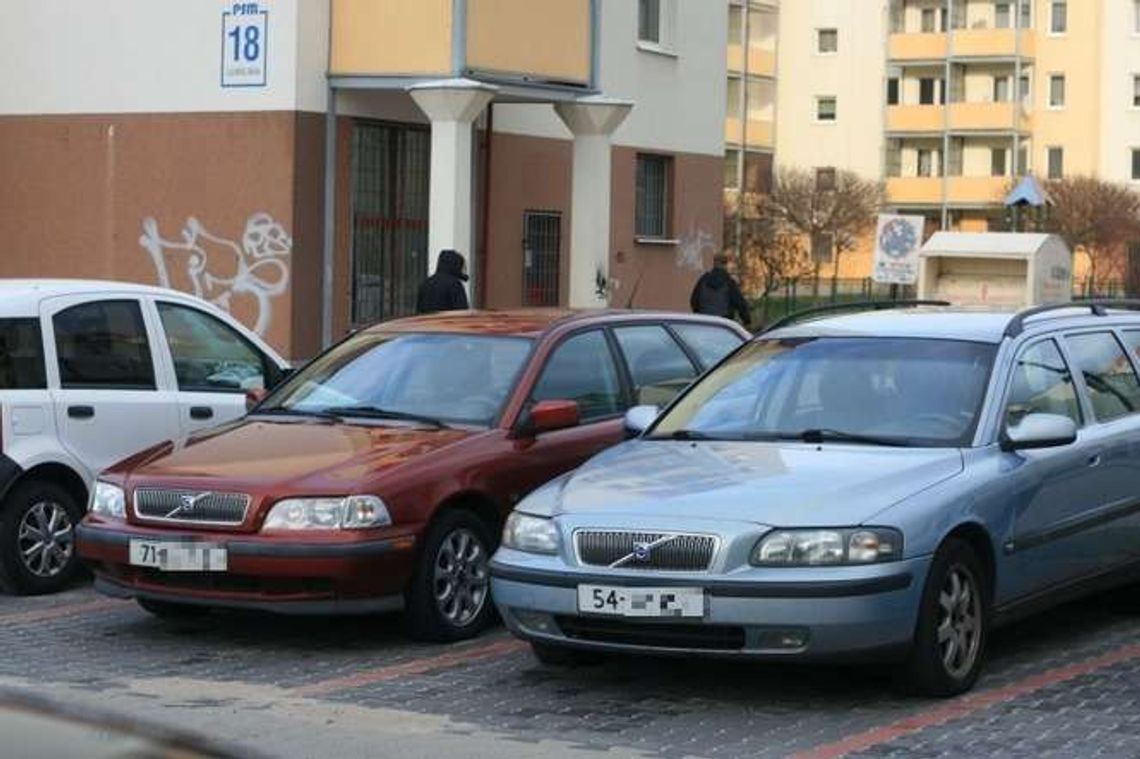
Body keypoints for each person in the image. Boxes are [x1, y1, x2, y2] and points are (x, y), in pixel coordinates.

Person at [690, 253, 751, 327]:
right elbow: (740, 303)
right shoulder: (729, 282)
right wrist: (747, 320)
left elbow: (694, 301)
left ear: (714, 263)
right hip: (723, 324)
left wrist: (699, 315)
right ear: (725, 264)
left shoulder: (703, 280)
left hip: (704, 323)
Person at [416, 249, 470, 314]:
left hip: (427, 323)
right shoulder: (455, 285)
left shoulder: (425, 284)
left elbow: (419, 312)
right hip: (448, 323)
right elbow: (462, 313)